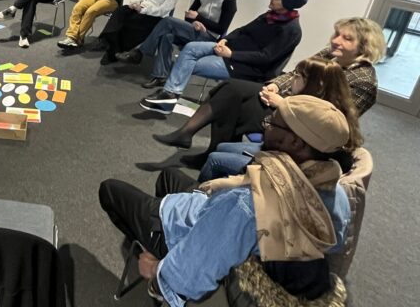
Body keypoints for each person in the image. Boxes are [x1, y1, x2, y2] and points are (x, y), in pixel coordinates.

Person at [99, 96, 352, 305]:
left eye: (272, 124)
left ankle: (156, 246)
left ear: (296, 142)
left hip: (192, 237)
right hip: (218, 225)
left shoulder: (248, 205)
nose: (265, 127)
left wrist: (157, 271)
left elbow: (189, 274)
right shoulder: (335, 193)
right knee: (168, 176)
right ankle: (154, 236)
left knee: (110, 190)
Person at [152, 16, 386, 168]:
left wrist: (282, 103)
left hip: (304, 131)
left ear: (364, 46)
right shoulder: (329, 54)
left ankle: (210, 152)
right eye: (337, 34)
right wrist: (276, 85)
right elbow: (295, 73)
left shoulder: (363, 81)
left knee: (235, 102)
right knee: (232, 89)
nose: (336, 41)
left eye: (346, 38)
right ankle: (191, 136)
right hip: (287, 103)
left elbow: (331, 122)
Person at [139, 0, 308, 115]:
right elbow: (242, 30)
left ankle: (169, 95)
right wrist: (226, 39)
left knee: (187, 63)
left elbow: (265, 57)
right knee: (190, 48)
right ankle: (170, 95)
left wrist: (232, 54)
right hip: (228, 49)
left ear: (288, 3)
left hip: (244, 66)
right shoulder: (269, 16)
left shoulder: (292, 30)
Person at [196, 57, 363, 180]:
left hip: (291, 167)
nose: (292, 79)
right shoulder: (331, 109)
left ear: (317, 85)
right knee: (222, 146)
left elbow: (289, 149)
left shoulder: (316, 117)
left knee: (214, 159)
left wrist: (283, 105)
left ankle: (202, 198)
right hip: (290, 156)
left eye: (298, 76)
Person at [116, 0, 237, 88]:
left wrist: (199, 18)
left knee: (167, 21)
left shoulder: (229, 1)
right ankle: (160, 76)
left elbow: (222, 28)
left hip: (209, 38)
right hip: (194, 31)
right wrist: (194, 22)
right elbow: (189, 16)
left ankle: (141, 52)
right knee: (167, 36)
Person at [97, 0, 181, 64]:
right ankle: (107, 40)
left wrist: (143, 10)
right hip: (141, 8)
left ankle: (112, 52)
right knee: (120, 11)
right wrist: (134, 3)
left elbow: (163, 10)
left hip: (154, 16)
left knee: (130, 22)